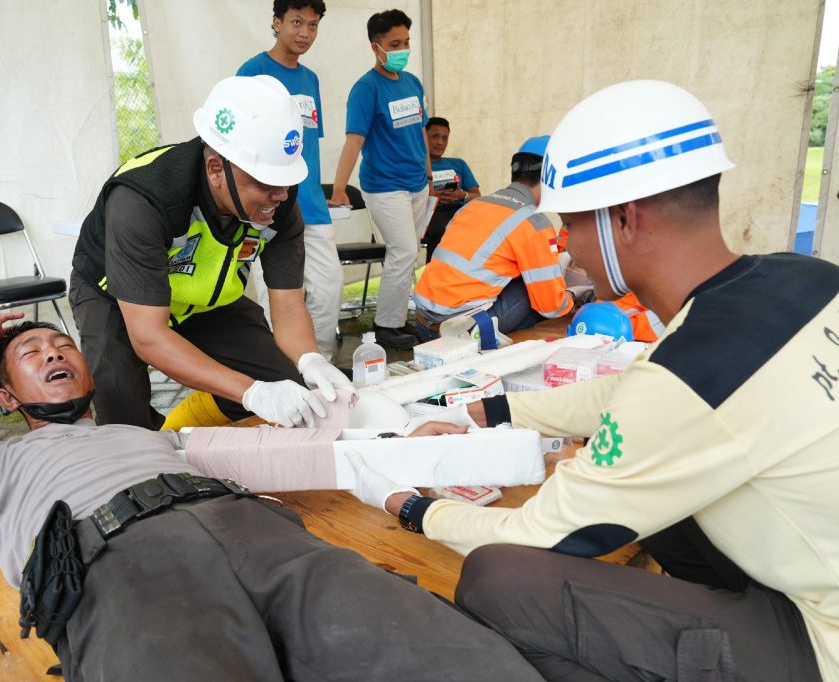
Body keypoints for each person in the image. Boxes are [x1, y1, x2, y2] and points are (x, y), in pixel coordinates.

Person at [347, 80, 839, 681]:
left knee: (500, 578)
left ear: (623, 220)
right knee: (665, 507)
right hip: (810, 567)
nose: (564, 241)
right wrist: (483, 413)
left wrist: (412, 507)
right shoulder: (803, 277)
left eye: (572, 223)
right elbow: (637, 388)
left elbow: (539, 534)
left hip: (821, 640)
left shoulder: (693, 374)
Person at [0, 314, 544, 682]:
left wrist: (407, 430)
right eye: (32, 353)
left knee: (452, 655)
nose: (54, 353)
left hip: (257, 536)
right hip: (120, 570)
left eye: (63, 345)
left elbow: (289, 447)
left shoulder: (161, 437)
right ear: (4, 394)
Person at [70, 75, 352, 431]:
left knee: (291, 389)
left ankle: (179, 427)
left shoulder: (279, 203)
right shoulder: (143, 201)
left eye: (287, 180)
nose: (280, 196)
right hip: (116, 297)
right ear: (216, 168)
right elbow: (149, 337)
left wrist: (310, 359)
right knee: (125, 417)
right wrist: (252, 392)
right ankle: (151, 438)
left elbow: (288, 304)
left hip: (202, 298)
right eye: (266, 182)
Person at [237, 0, 343, 362]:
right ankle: (282, 372)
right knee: (277, 297)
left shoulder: (311, 79)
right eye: (297, 22)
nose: (305, 33)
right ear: (276, 22)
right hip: (268, 206)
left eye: (313, 26)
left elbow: (310, 144)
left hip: (311, 205)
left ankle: (320, 365)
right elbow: (238, 142)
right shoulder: (252, 72)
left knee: (330, 289)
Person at [330, 9, 430, 350]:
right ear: (377, 47)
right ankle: (387, 326)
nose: (403, 49)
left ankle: (399, 320)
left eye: (406, 42)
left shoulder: (412, 83)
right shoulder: (366, 89)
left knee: (409, 253)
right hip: (385, 186)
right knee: (403, 251)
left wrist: (428, 175)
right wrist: (340, 188)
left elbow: (421, 131)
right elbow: (354, 140)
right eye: (394, 44)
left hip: (417, 184)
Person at [413, 135, 573, 338]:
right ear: (551, 176)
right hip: (459, 330)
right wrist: (575, 294)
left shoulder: (474, 205)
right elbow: (552, 306)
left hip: (423, 321)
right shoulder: (533, 221)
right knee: (536, 291)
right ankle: (502, 342)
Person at [422, 116, 482, 261]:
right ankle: (436, 274)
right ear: (424, 138)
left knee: (482, 225)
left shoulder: (458, 164)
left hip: (458, 210)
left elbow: (477, 196)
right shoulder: (417, 166)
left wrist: (462, 195)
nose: (440, 142)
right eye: (435, 137)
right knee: (446, 228)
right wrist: (432, 195)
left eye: (445, 138)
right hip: (430, 212)